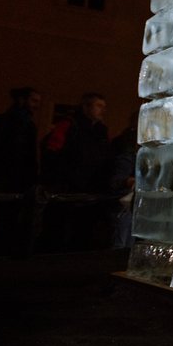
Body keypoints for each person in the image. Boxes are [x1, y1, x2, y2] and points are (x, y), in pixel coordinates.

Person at [40, 92, 112, 250]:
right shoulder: (69, 125)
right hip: (68, 189)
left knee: (82, 234)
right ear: (86, 106)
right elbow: (52, 153)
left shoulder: (100, 131)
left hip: (89, 189)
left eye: (104, 107)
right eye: (98, 106)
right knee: (60, 232)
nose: (102, 110)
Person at [0, 86, 41, 255]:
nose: (36, 105)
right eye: (33, 101)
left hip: (19, 181)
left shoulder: (27, 124)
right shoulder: (5, 122)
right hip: (6, 180)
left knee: (11, 220)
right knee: (0, 220)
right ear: (22, 100)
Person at [109, 111, 140, 249]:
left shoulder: (128, 143)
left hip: (128, 201)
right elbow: (118, 176)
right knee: (122, 241)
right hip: (123, 200)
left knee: (126, 241)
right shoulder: (126, 145)